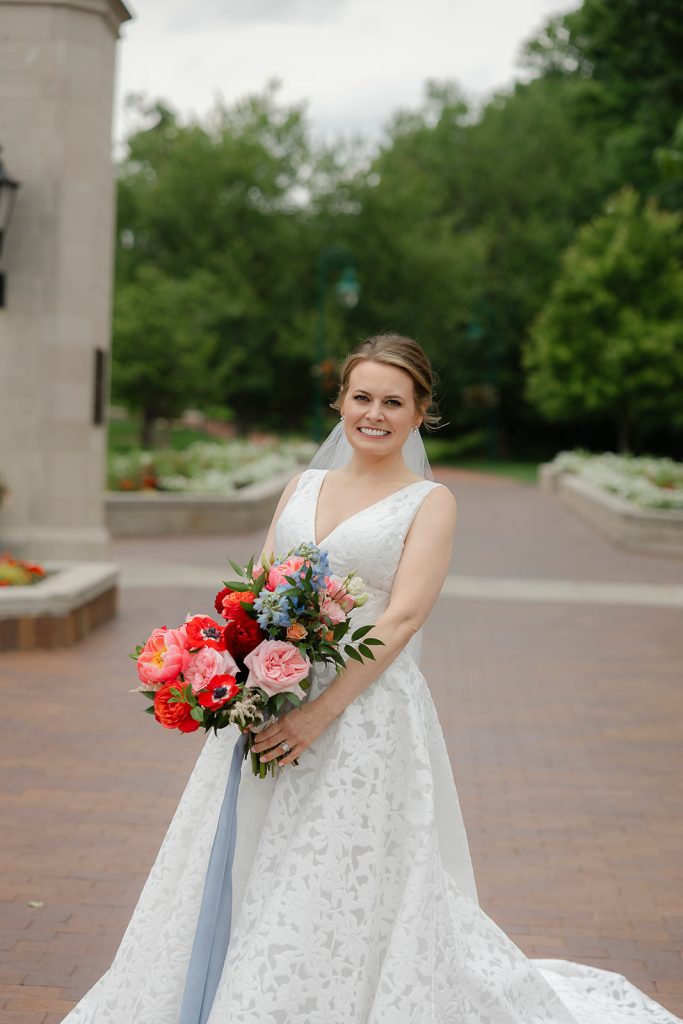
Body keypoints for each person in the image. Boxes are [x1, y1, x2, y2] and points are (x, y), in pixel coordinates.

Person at [61, 333, 681, 1024]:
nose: (374, 414)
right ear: (340, 402)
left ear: (420, 413)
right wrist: (220, 670)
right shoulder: (301, 487)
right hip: (272, 695)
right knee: (248, 850)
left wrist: (320, 711)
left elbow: (404, 616)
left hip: (364, 715)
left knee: (334, 866)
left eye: (393, 402)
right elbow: (254, 590)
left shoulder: (430, 501)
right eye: (362, 397)